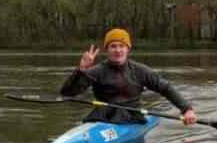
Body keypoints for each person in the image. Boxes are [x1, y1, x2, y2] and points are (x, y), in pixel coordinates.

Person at [60, 28, 197, 125]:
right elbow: (68, 93)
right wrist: (81, 70)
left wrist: (187, 109)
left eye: (121, 46)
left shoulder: (140, 71)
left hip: (132, 117)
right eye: (113, 46)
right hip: (102, 117)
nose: (118, 50)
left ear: (128, 49)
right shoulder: (97, 71)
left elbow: (165, 88)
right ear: (107, 50)